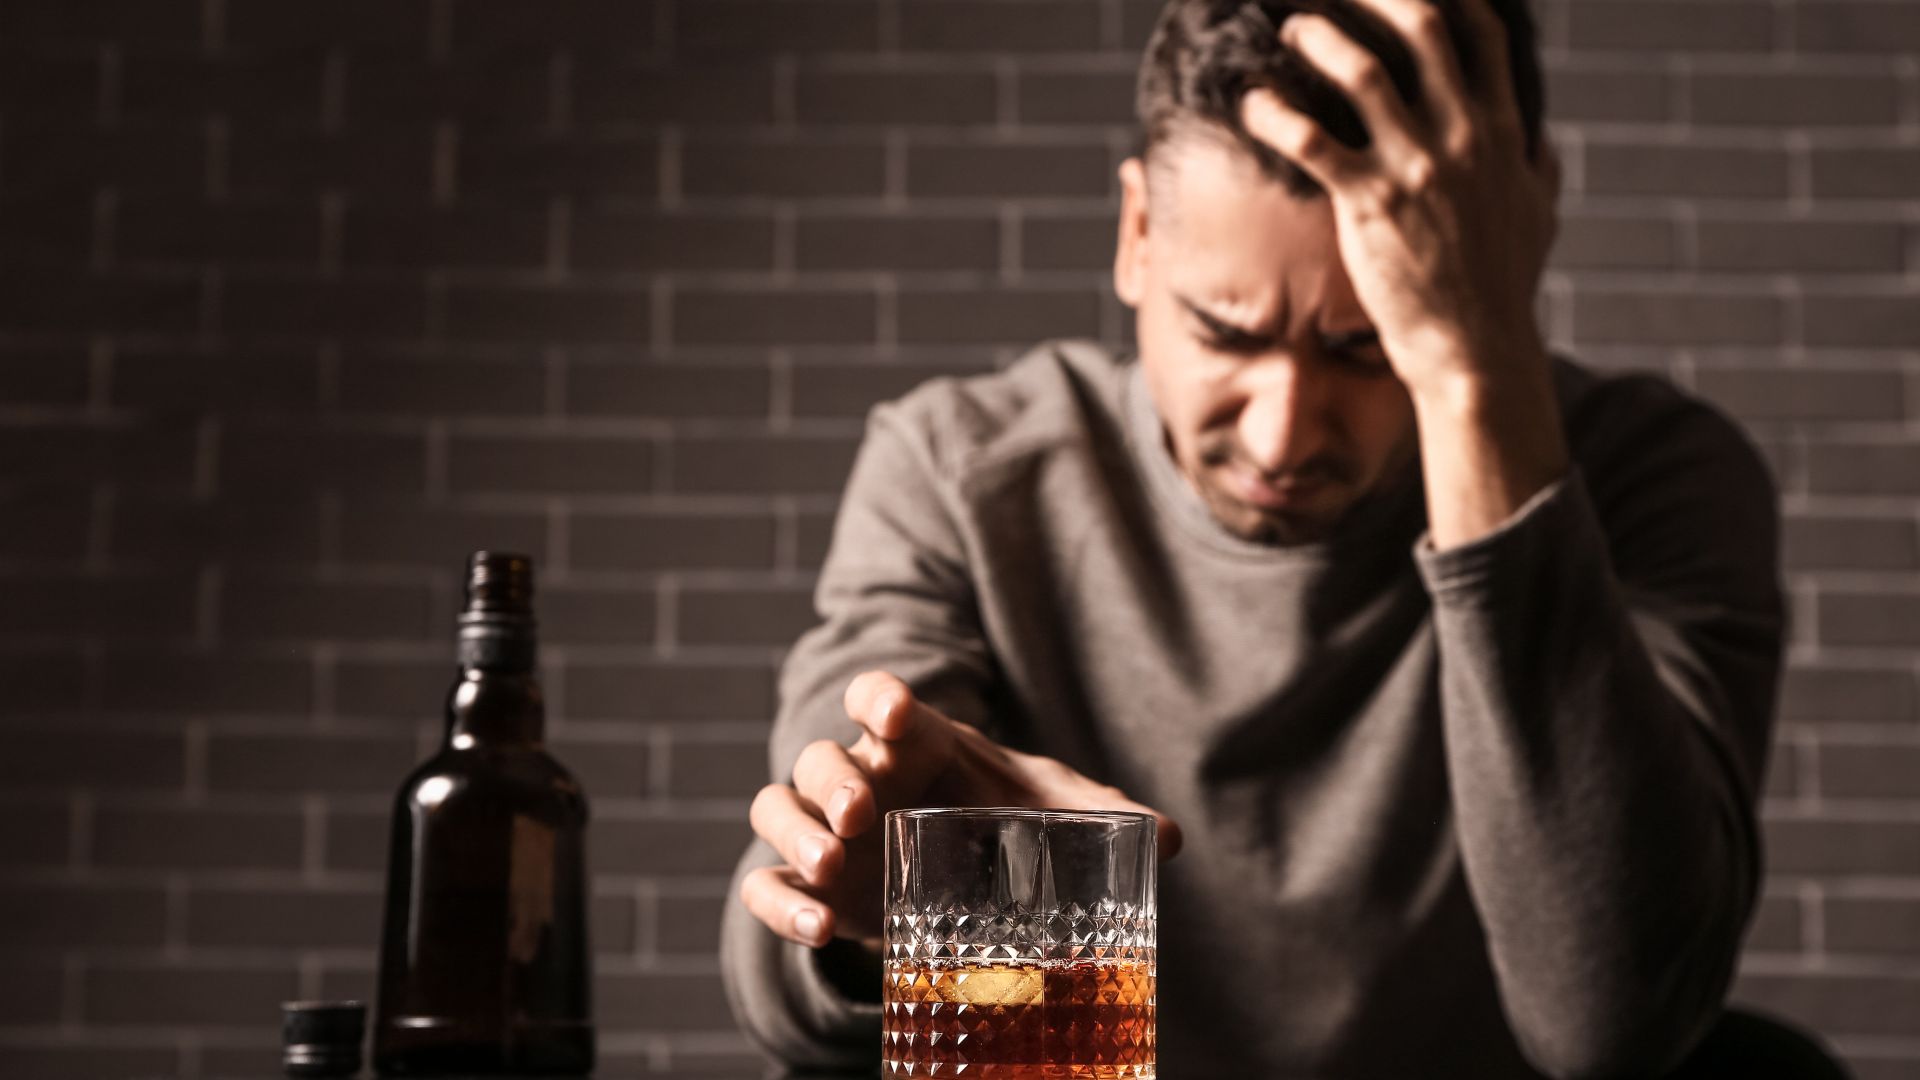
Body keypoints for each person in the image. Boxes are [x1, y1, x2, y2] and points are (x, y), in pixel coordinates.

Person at [720, 0, 1786, 1076]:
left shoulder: (1652, 477)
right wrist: (890, 914)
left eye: (1368, 346)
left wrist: (1475, 373)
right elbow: (785, 967)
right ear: (1137, 234)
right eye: (1224, 333)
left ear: (1508, 249)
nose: (1283, 435)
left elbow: (1612, 1021)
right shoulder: (961, 470)